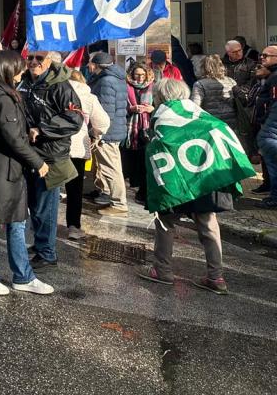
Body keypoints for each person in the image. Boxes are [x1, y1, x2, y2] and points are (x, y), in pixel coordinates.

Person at [0, 51, 53, 296]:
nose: (22, 72)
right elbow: (13, 139)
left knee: (17, 222)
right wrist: (38, 162)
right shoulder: (0, 98)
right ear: (6, 70)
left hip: (7, 168)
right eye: (18, 68)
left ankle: (23, 276)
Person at [137, 77, 230, 294]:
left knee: (165, 223)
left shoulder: (161, 115)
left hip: (176, 181)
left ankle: (162, 270)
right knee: (209, 227)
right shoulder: (200, 113)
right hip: (204, 179)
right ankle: (216, 277)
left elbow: (157, 148)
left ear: (161, 96)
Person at [17, 50, 83, 270]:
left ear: (49, 62)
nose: (33, 62)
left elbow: (74, 119)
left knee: (46, 206)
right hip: (29, 152)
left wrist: (42, 129)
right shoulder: (24, 82)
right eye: (30, 58)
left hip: (51, 154)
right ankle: (39, 245)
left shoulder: (61, 86)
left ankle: (48, 252)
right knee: (34, 205)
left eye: (39, 58)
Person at [65, 69, 109, 239]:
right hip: (78, 146)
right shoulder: (89, 97)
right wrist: (94, 134)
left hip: (55, 146)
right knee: (75, 188)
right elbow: (103, 122)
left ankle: (44, 226)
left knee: (51, 188)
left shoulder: (55, 91)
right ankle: (73, 227)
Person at [87, 51, 129, 215]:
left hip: (108, 132)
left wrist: (97, 133)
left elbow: (106, 112)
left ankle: (119, 204)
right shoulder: (115, 78)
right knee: (108, 166)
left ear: (96, 65)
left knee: (111, 168)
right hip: (114, 129)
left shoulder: (105, 81)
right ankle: (105, 192)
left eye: (90, 63)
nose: (87, 66)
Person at [125, 63, 155, 204]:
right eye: (137, 74)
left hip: (147, 128)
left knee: (146, 161)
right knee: (134, 161)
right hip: (130, 130)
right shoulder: (126, 87)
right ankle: (138, 188)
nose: (140, 77)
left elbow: (160, 104)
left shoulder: (153, 86)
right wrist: (131, 109)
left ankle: (144, 190)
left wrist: (151, 109)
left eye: (142, 74)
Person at [253, 45, 277, 209]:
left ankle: (274, 196)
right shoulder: (270, 76)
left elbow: (272, 103)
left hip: (270, 127)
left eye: (265, 56)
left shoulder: (274, 77)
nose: (262, 58)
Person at [191, 54, 237, 129]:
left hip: (211, 123)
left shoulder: (199, 84)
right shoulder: (231, 81)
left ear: (204, 67)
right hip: (231, 122)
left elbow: (195, 106)